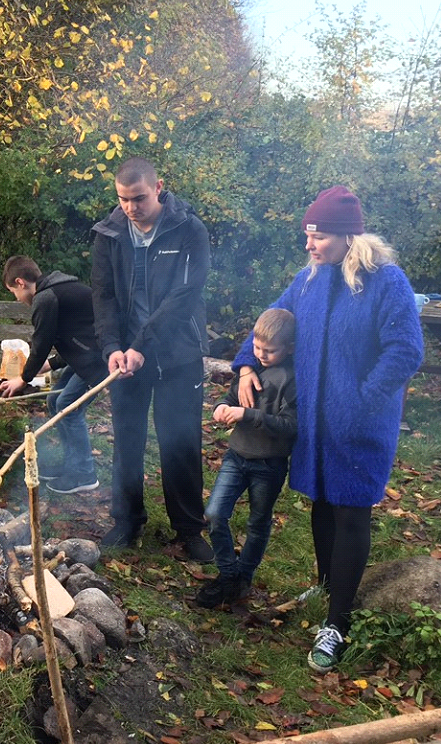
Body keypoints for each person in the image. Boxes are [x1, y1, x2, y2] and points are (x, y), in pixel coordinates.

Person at [234, 186, 423, 672]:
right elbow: (268, 323)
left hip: (360, 426)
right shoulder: (308, 280)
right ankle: (325, 587)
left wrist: (360, 403)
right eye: (307, 235)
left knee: (350, 512)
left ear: (346, 236)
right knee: (320, 502)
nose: (309, 245)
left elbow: (405, 351)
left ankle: (338, 621)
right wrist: (244, 368)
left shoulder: (387, 281)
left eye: (316, 236)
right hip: (315, 424)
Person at [90, 157, 213, 561]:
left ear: (158, 187)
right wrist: (112, 349)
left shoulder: (188, 229)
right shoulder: (108, 234)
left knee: (179, 440)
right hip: (126, 357)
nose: (130, 208)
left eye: (138, 198)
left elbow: (185, 296)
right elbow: (103, 297)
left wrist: (143, 344)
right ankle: (127, 520)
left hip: (177, 353)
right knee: (126, 439)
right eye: (123, 199)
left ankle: (190, 528)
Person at [195, 308, 297, 609]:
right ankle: (229, 574)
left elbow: (291, 427)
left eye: (269, 350)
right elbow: (230, 398)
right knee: (214, 514)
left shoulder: (291, 380)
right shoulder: (249, 369)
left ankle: (244, 578)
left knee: (258, 522)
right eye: (256, 347)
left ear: (289, 349)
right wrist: (221, 407)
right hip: (236, 456)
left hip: (269, 464)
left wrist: (248, 414)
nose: (261, 355)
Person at [0, 255, 109, 494]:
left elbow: (41, 342)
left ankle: (84, 473)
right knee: (54, 401)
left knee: (69, 406)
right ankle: (72, 465)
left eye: (13, 292)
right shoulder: (56, 290)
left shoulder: (46, 298)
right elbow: (78, 335)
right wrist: (51, 365)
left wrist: (24, 379)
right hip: (88, 356)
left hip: (99, 360)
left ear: (20, 282)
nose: (17, 299)